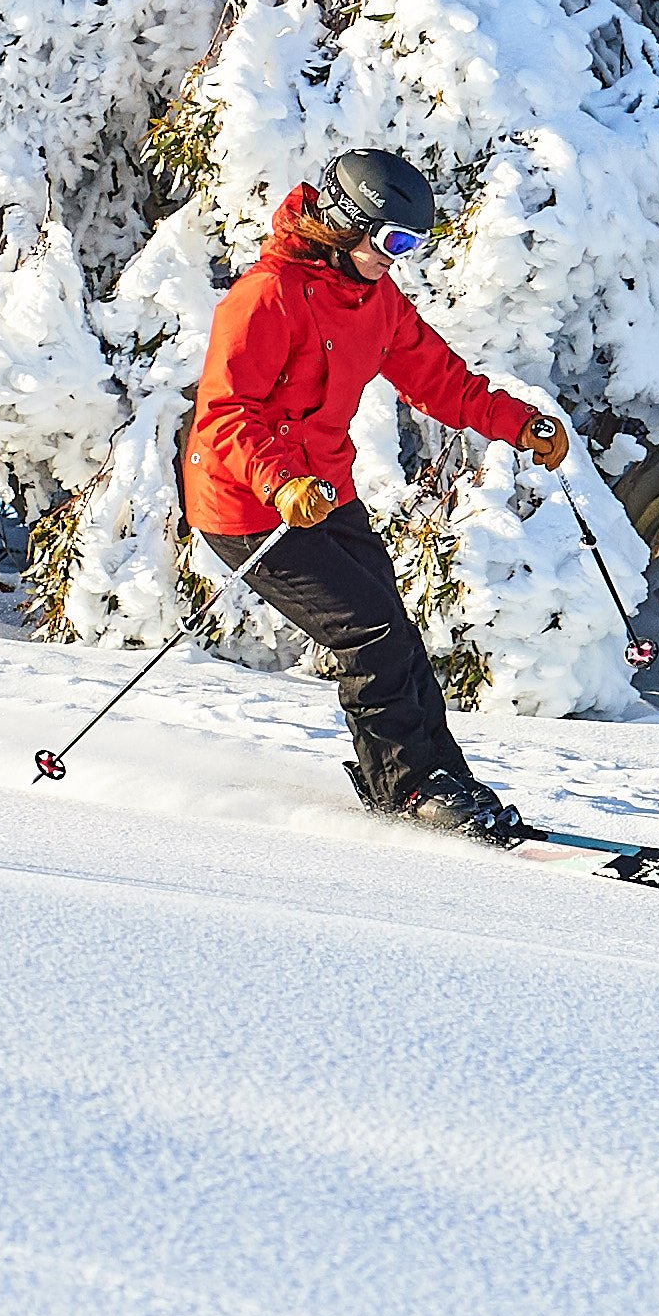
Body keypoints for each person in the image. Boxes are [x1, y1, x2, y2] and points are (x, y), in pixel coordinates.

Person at [182, 148, 573, 841]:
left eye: (412, 245)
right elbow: (225, 418)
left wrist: (520, 424)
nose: (400, 258)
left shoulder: (373, 298)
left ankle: (440, 774)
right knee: (370, 633)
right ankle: (408, 788)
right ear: (341, 224)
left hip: (323, 491)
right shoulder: (266, 297)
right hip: (248, 506)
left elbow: (441, 380)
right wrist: (279, 482)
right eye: (392, 241)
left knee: (394, 628)